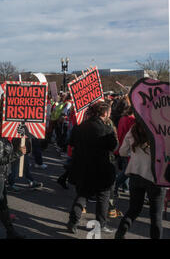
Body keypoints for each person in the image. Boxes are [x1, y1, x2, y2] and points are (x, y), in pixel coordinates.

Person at [66, 102, 118, 234]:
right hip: (101, 167)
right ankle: (100, 224)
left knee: (82, 194)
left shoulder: (81, 126)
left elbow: (71, 142)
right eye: (109, 112)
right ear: (105, 113)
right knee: (103, 197)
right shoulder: (106, 129)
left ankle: (73, 221)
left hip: (83, 166)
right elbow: (113, 146)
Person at [115, 122, 167, 239]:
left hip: (136, 173)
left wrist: (135, 154)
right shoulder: (164, 128)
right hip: (156, 177)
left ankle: (119, 234)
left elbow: (123, 151)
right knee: (156, 216)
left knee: (133, 209)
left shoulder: (135, 127)